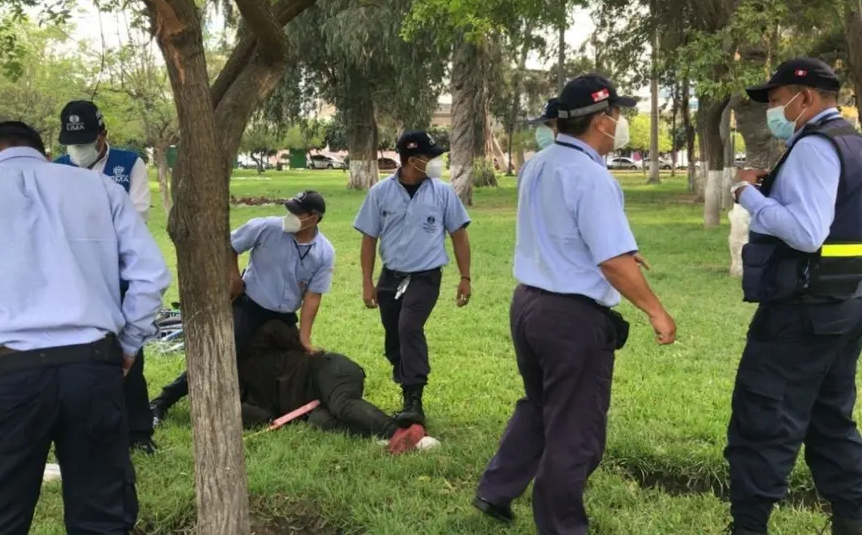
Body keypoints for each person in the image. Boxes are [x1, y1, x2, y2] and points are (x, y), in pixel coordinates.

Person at [0, 121, 171, 535]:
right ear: (45, 155)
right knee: (104, 518)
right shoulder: (99, 190)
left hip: (10, 375)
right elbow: (150, 276)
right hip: (94, 369)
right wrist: (130, 345)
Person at [472, 73, 677, 534]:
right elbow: (611, 263)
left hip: (528, 304)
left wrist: (620, 251)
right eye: (618, 114)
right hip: (570, 318)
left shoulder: (539, 164)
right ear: (602, 121)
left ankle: (496, 490)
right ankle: (562, 526)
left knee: (541, 405)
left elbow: (565, 231)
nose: (621, 123)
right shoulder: (590, 176)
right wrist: (656, 310)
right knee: (575, 430)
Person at [725, 58, 862, 535]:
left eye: (777, 98)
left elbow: (805, 232)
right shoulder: (852, 144)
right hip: (843, 307)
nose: (773, 109)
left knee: (763, 419)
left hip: (799, 314)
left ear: (805, 98)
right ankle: (852, 518)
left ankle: (749, 527)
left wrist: (749, 197)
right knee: (830, 421)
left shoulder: (814, 147)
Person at [149, 190, 336, 425]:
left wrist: (305, 338)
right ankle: (162, 401)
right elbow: (229, 245)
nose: (291, 216)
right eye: (291, 210)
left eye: (298, 213)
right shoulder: (266, 228)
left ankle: (280, 406)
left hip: (284, 316)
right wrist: (233, 277)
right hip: (250, 306)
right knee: (222, 355)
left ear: (314, 218)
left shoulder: (324, 252)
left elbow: (313, 297)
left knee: (295, 361)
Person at [53, 99, 158, 454]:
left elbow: (137, 214)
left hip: (121, 275)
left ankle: (138, 432)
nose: (78, 150)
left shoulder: (130, 164)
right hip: (75, 277)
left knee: (130, 353)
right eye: (72, 142)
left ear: (102, 134)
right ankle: (86, 430)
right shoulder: (58, 168)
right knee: (76, 356)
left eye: (84, 141)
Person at [352, 130, 472, 428]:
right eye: (428, 157)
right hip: (391, 277)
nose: (434, 162)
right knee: (394, 339)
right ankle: (407, 386)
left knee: (409, 327)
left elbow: (459, 235)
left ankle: (414, 400)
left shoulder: (443, 192)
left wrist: (465, 276)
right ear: (410, 159)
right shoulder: (379, 193)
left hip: (425, 277)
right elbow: (368, 240)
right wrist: (368, 281)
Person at [238, 319, 428, 452]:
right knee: (320, 422)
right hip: (313, 404)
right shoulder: (247, 404)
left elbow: (273, 328)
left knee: (342, 404)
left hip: (327, 370)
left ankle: (400, 433)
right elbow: (263, 417)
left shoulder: (248, 357)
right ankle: (382, 435)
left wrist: (301, 346)